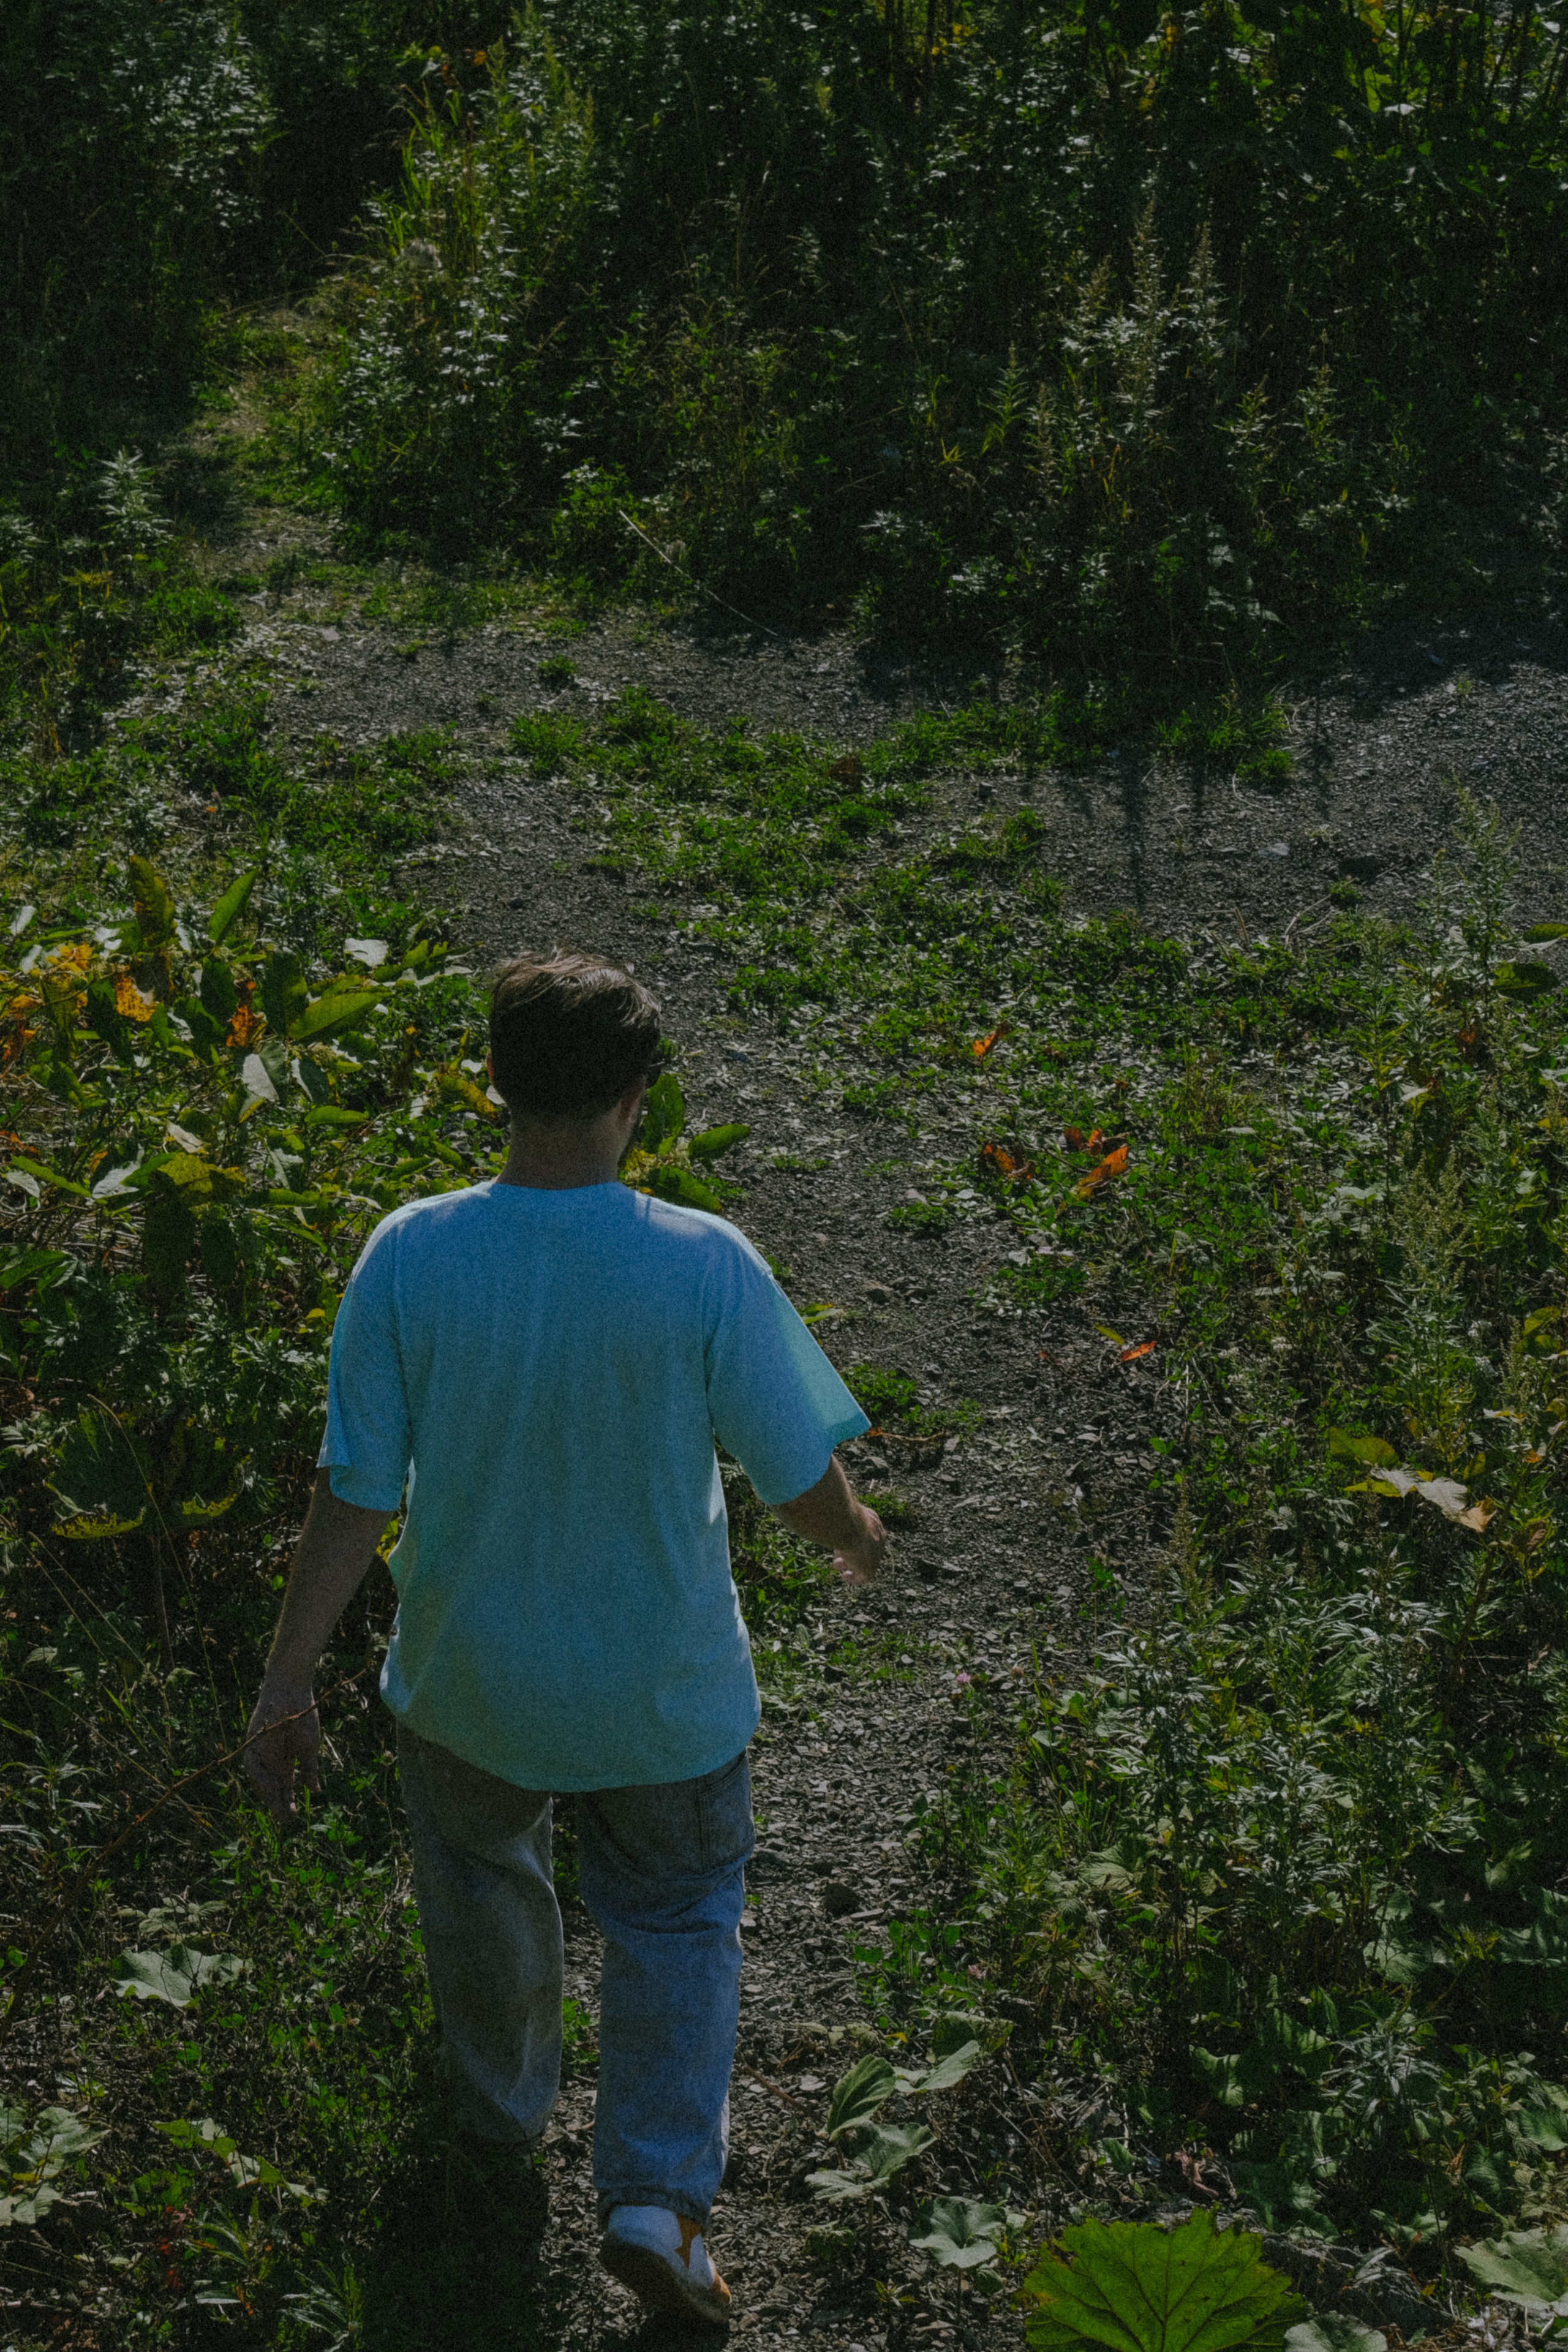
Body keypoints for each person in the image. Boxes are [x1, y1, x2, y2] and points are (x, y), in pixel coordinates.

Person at [244, 949, 888, 2328]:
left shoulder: (411, 1249)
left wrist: (287, 1675)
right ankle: (655, 2199)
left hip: (469, 1680)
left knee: (479, 1881)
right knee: (672, 1915)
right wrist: (852, 1542)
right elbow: (791, 1477)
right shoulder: (702, 1262)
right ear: (637, 1097)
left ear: (494, 1082)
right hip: (658, 1694)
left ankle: (493, 2128)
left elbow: (357, 1486)